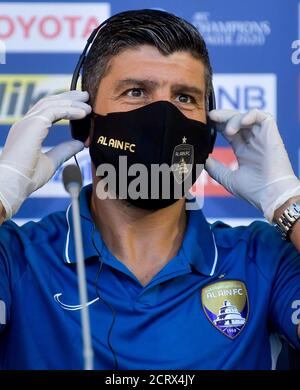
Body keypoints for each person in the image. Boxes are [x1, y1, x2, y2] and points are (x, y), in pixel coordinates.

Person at [0, 9, 299, 370]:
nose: (162, 116)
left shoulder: (261, 258)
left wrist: (288, 204)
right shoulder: (17, 257)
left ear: (207, 132)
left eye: (185, 98)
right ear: (85, 123)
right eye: (136, 91)